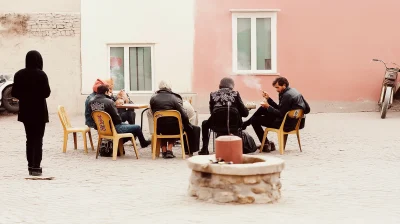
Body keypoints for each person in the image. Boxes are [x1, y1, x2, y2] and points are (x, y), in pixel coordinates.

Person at [242, 76, 310, 152]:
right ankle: (246, 124)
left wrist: (268, 107)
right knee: (263, 109)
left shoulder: (287, 96)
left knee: (255, 120)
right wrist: (268, 99)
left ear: (284, 85)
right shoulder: (294, 91)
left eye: (278, 87)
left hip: (286, 124)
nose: (277, 90)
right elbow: (306, 109)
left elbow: (280, 114)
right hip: (294, 122)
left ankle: (265, 143)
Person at [11, 50, 51, 176]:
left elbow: (14, 93)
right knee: (38, 139)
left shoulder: (19, 74)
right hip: (39, 111)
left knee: (29, 139)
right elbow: (47, 93)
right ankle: (36, 167)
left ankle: (30, 166)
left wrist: (25, 96)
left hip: (26, 111)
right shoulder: (41, 75)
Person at [150, 81, 201, 158]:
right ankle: (169, 150)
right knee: (175, 124)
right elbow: (183, 114)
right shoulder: (175, 98)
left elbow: (152, 112)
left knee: (163, 125)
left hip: (159, 128)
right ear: (169, 88)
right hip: (174, 128)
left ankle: (164, 150)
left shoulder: (153, 98)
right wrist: (187, 124)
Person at [199, 77, 249, 155]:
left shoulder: (213, 94)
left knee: (204, 123)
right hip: (234, 126)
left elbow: (212, 112)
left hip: (217, 126)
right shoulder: (235, 94)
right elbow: (245, 114)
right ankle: (240, 148)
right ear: (232, 86)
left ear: (220, 85)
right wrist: (246, 109)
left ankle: (204, 149)